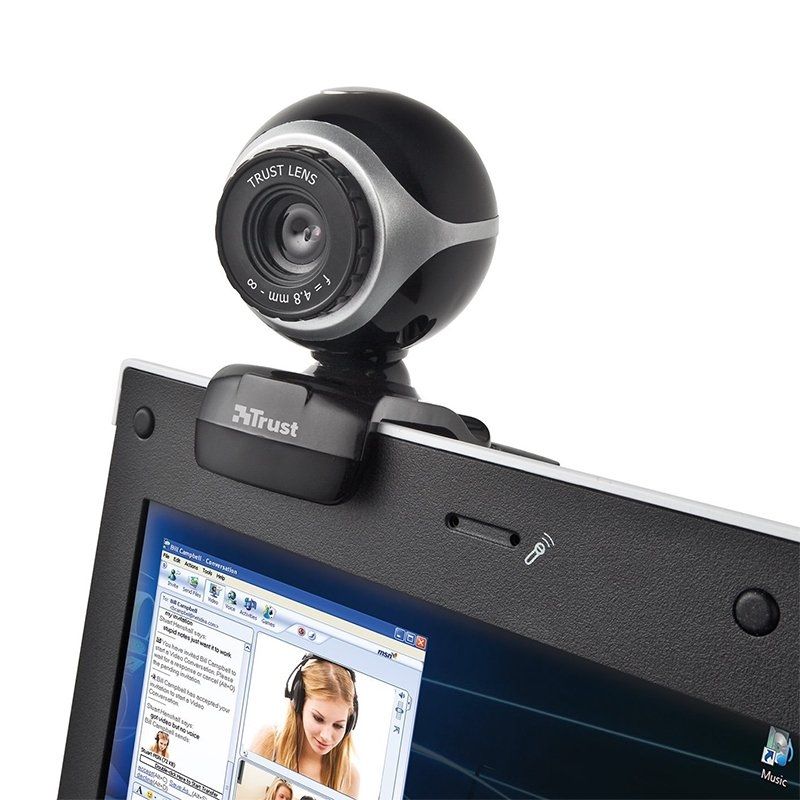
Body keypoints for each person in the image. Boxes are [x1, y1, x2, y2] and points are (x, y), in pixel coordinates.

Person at [251, 656, 360, 797]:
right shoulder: (270, 741)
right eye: (318, 718)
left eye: (338, 725)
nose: (326, 736)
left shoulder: (350, 777)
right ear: (299, 704)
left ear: (349, 724)